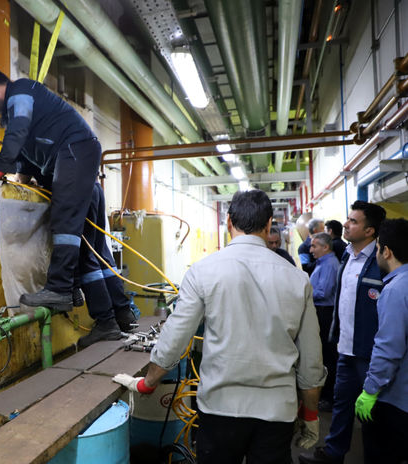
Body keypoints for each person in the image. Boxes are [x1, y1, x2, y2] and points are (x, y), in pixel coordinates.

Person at [113, 190, 326, 463]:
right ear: (268, 224)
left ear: (228, 222)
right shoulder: (297, 279)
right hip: (276, 412)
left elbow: (175, 338)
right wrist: (310, 414)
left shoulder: (203, 271)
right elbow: (311, 358)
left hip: (220, 409)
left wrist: (148, 382)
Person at [0, 66, 102, 312]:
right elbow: (26, 154)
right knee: (73, 229)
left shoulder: (20, 91)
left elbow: (18, 131)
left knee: (64, 219)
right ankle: (74, 290)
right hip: (76, 151)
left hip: (75, 149)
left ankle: (60, 290)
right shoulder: (25, 108)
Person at [299, 200, 386, 464]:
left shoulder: (380, 260)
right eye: (348, 219)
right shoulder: (347, 256)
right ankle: (333, 453)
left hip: (369, 352)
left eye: (353, 221)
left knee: (372, 413)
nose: (346, 224)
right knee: (342, 403)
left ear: (369, 230)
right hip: (345, 348)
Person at [355, 218, 408, 463]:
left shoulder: (396, 290)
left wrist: (370, 389)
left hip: (396, 401)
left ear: (386, 252)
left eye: (377, 248)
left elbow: (389, 348)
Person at [76, 182, 137, 348]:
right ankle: (123, 314)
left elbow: (25, 174)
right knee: (100, 251)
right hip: (93, 185)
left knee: (86, 254)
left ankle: (106, 322)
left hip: (76, 186)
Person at [309, 232, 340, 411]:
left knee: (328, 356)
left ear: (325, 247)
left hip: (325, 313)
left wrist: (305, 290)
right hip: (321, 312)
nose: (311, 250)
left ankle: (329, 397)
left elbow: (323, 292)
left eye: (314, 246)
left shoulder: (329, 265)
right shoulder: (323, 263)